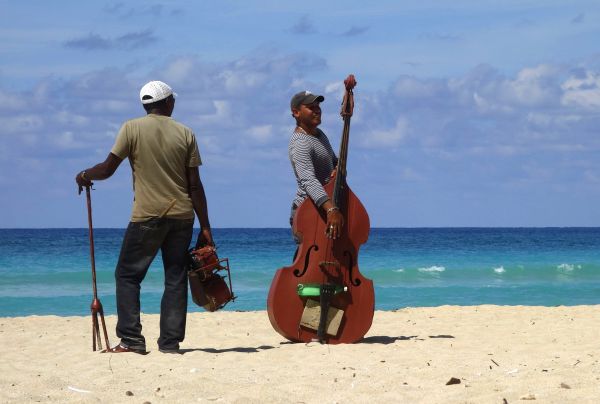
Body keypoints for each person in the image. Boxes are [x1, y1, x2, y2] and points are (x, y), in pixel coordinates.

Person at [75, 80, 213, 354]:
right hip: (182, 216)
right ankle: (170, 343)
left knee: (127, 275)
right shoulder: (186, 133)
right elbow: (194, 184)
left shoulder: (131, 128)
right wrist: (206, 226)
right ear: (168, 102)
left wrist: (84, 175)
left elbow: (107, 169)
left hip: (147, 215)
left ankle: (132, 340)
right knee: (175, 277)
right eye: (173, 100)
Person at [288, 90, 344, 240]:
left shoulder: (319, 134)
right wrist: (331, 209)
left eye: (318, 106)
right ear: (296, 112)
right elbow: (308, 180)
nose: (317, 110)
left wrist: (337, 168)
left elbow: (334, 160)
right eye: (311, 107)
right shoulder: (300, 142)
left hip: (324, 207)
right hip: (308, 209)